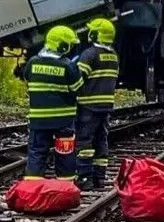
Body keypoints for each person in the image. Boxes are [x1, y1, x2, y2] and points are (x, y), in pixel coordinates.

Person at [22, 25, 84, 181]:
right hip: (63, 121)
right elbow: (78, 89)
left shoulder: (32, 62)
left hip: (38, 120)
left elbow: (27, 79)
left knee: (36, 152)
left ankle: (33, 185)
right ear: (63, 46)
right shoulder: (68, 66)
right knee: (65, 153)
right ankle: (66, 184)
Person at [74, 18, 119, 190]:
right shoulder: (113, 56)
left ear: (96, 35)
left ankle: (85, 178)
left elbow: (78, 79)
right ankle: (99, 177)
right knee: (101, 141)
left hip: (88, 106)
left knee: (84, 142)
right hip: (105, 106)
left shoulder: (89, 54)